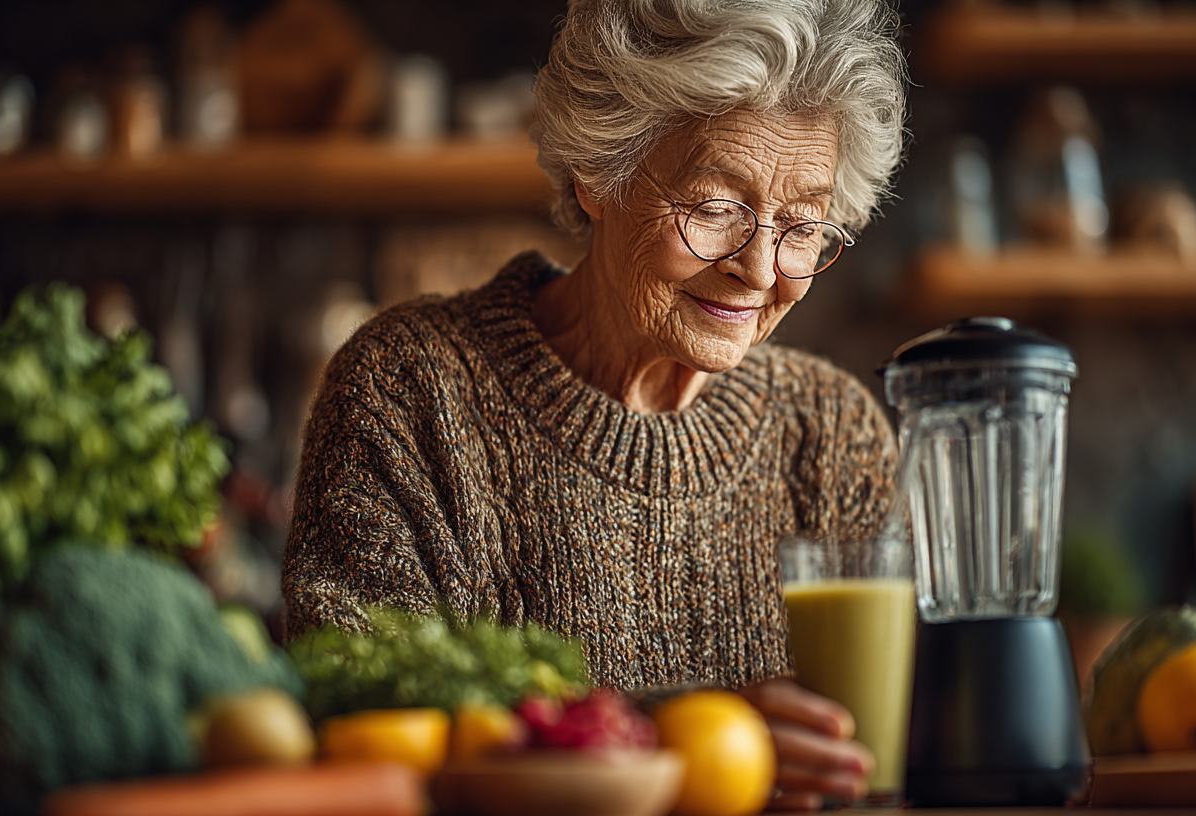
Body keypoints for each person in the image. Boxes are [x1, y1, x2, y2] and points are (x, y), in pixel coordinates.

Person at [283, 0, 906, 809]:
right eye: (715, 209)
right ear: (598, 171)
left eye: (803, 224)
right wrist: (674, 740)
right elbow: (357, 735)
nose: (759, 269)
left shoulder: (831, 432)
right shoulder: (412, 390)